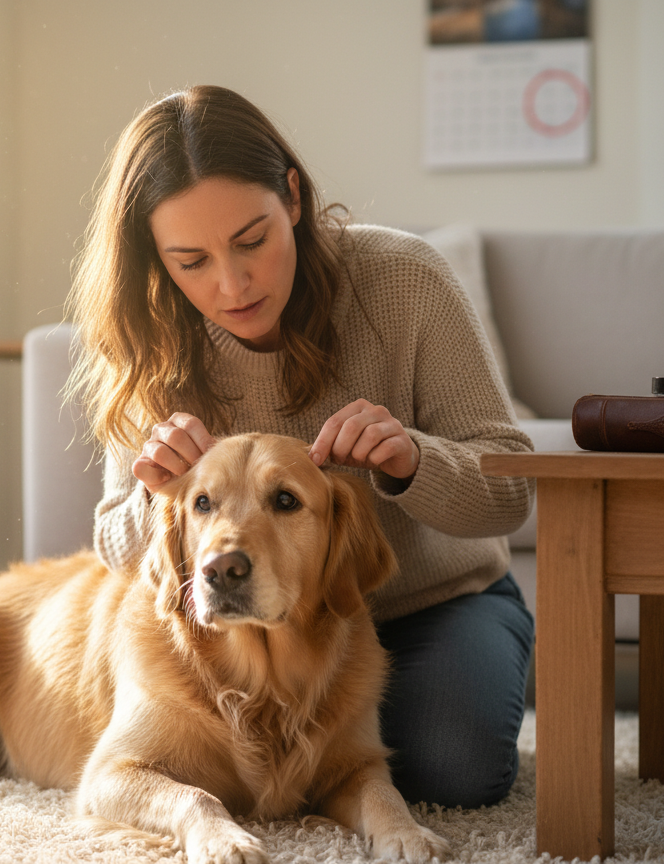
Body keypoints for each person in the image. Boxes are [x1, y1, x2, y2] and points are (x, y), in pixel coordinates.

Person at [63, 84, 535, 809]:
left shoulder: (405, 279)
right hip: (252, 626)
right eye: (191, 260)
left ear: (293, 197)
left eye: (252, 240)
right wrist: (156, 493)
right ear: (155, 258)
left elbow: (510, 491)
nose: (232, 283)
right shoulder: (154, 340)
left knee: (453, 769)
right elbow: (114, 544)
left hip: (429, 605)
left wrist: (412, 459)